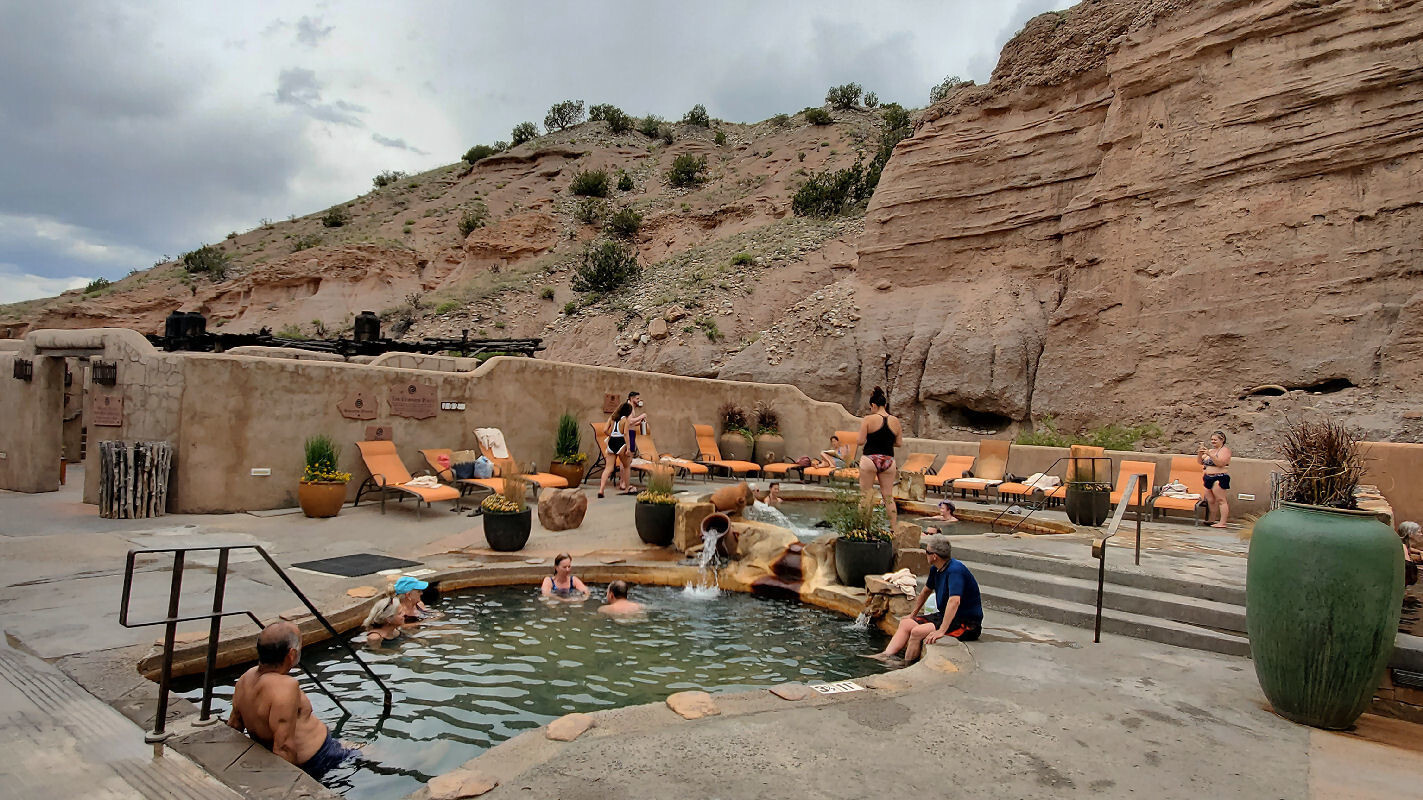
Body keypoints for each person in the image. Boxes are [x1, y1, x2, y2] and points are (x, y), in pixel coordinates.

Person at [228, 622, 357, 779]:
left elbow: (234, 726)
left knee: (359, 747)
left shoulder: (245, 678)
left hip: (324, 749)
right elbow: (284, 747)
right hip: (321, 759)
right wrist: (292, 784)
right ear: (291, 654)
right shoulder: (285, 686)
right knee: (380, 754)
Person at [868, 535, 982, 664]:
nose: (925, 554)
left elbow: (954, 601)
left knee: (917, 632)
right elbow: (926, 591)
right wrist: (913, 614)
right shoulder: (936, 569)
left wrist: (942, 630)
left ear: (934, 556)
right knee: (906, 624)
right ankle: (886, 655)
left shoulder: (955, 571)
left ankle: (906, 666)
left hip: (966, 623)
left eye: (927, 552)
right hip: (946, 615)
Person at [858, 386, 904, 528]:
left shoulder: (868, 419)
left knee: (865, 495)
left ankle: (863, 529)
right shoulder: (895, 421)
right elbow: (899, 443)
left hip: (870, 458)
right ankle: (893, 529)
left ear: (873, 405)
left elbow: (860, 441)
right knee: (888, 497)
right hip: (889, 460)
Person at [598, 401, 635, 498]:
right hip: (621, 442)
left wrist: (611, 436)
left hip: (611, 442)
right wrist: (628, 448)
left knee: (608, 468)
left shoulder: (612, 418)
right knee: (626, 466)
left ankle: (601, 489)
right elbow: (626, 434)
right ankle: (627, 488)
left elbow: (605, 430)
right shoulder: (625, 420)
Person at [1197, 430, 1232, 528]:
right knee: (1211, 500)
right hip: (1208, 477)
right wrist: (1200, 453)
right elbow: (1200, 462)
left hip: (1219, 477)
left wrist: (1210, 455)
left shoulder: (1225, 450)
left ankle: (1222, 522)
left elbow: (1220, 463)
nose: (1213, 441)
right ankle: (1212, 519)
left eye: (1215, 440)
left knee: (1221, 499)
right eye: (1212, 440)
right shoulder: (1211, 451)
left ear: (1222, 440)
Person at [625, 391, 648, 456]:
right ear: (632, 399)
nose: (638, 400)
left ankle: (627, 466)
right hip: (629, 432)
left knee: (630, 454)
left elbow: (630, 422)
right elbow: (630, 421)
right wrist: (642, 416)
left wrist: (638, 422)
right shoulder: (629, 407)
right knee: (629, 455)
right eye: (637, 399)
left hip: (631, 432)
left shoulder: (631, 407)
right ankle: (626, 466)